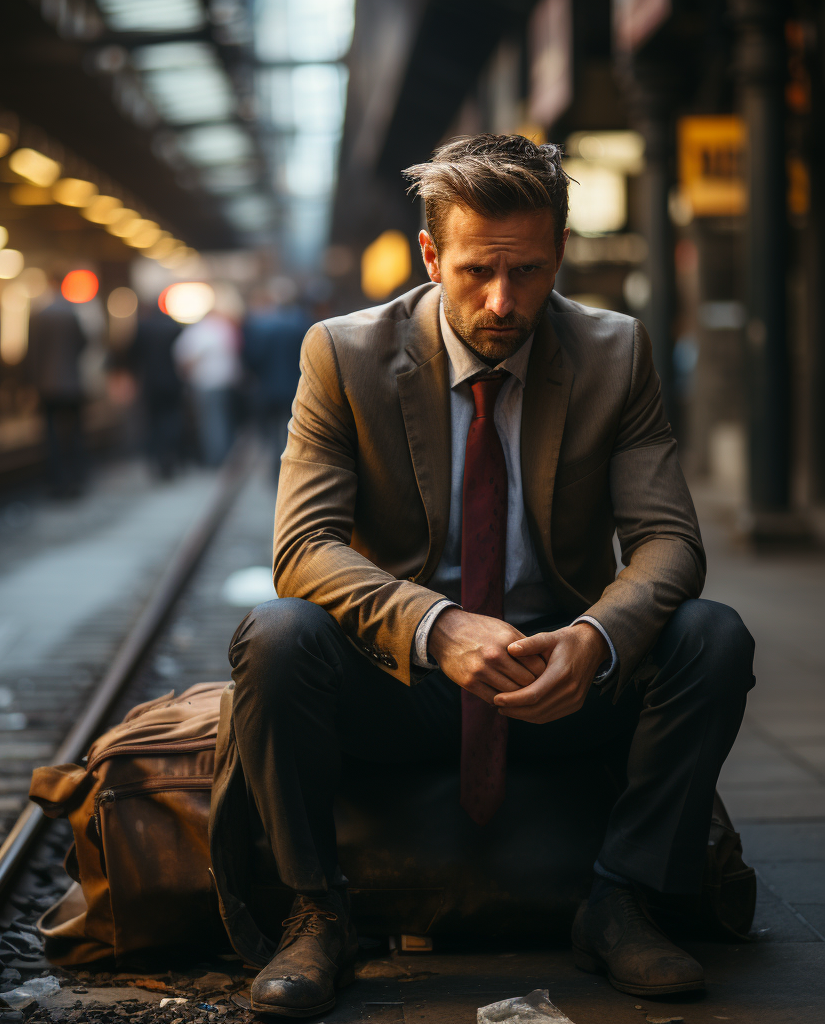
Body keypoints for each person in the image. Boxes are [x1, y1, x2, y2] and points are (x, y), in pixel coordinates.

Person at [221, 135, 755, 1017]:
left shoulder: (615, 353)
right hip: (404, 682)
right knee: (279, 636)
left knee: (712, 635)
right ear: (432, 256)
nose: (504, 301)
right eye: (476, 272)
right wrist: (437, 628)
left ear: (560, 256)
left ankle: (622, 899)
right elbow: (303, 548)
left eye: (530, 272)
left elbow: (668, 542)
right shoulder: (343, 355)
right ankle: (316, 911)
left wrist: (596, 636)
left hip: (560, 680)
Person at [26, 278, 88, 497]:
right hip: (72, 385)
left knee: (51, 435)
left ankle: (56, 482)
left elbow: (32, 352)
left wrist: (33, 384)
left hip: (48, 386)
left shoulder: (40, 315)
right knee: (75, 435)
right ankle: (77, 479)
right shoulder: (71, 314)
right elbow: (84, 343)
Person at [242, 279, 309, 475]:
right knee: (294, 429)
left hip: (267, 387)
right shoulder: (300, 323)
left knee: (271, 431)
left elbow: (253, 358)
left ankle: (275, 466)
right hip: (294, 386)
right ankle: (294, 467)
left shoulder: (261, 326)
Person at [173, 285, 243, 467]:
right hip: (225, 381)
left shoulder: (198, 331)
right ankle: (226, 456)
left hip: (206, 383)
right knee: (223, 419)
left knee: (211, 422)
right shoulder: (224, 329)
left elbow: (184, 358)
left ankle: (216, 458)